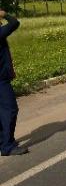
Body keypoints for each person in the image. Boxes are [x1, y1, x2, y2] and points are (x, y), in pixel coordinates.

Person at [0, 9, 28, 156]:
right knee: (10, 110)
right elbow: (14, 23)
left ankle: (3, 141)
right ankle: (7, 146)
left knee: (1, 112)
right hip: (1, 80)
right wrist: (4, 14)